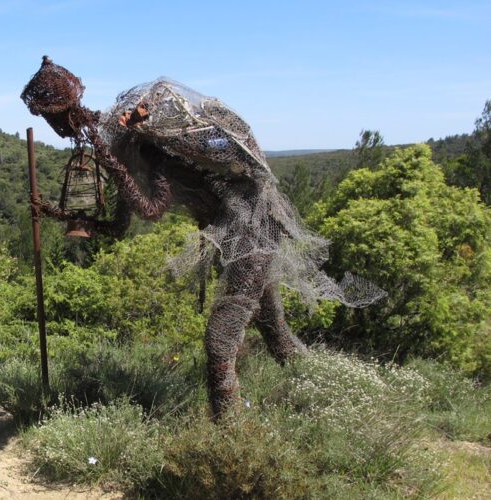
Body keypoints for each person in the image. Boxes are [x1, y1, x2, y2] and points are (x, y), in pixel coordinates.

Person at [21, 57, 384, 419]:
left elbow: (152, 209)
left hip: (251, 229)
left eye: (51, 118)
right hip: (239, 235)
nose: (54, 127)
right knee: (275, 330)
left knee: (220, 339)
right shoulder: (121, 144)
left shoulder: (139, 142)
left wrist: (109, 160)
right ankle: (327, 401)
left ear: (62, 112)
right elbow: (119, 226)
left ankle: (231, 435)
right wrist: (61, 215)